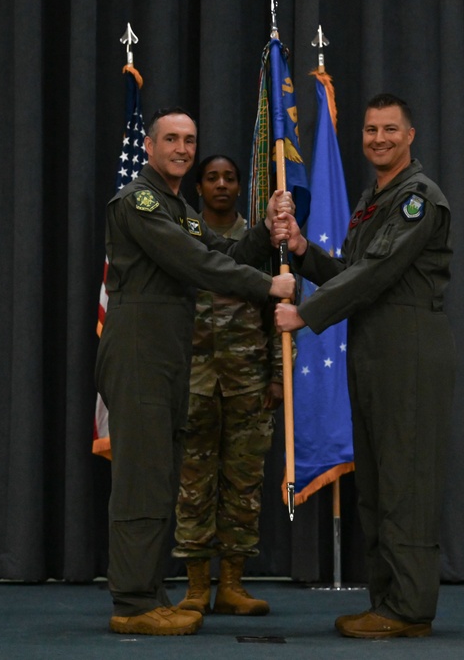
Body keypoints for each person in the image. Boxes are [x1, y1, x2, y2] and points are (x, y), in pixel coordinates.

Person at [95, 107, 295, 636]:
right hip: (140, 348)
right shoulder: (139, 202)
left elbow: (224, 249)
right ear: (151, 147)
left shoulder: (176, 206)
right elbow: (196, 264)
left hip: (167, 353)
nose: (183, 149)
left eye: (190, 141)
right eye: (172, 140)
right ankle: (133, 603)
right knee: (141, 480)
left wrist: (268, 231)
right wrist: (266, 286)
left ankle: (149, 592)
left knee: (159, 478)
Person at [274, 93, 454, 639]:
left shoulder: (418, 198)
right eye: (371, 129)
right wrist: (304, 250)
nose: (379, 138)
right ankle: (388, 602)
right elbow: (351, 271)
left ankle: (410, 609)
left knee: (406, 486)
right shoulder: (374, 198)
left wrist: (304, 314)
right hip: (376, 353)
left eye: (390, 130)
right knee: (377, 486)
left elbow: (376, 273)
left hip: (410, 354)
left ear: (411, 135)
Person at [173, 155, 281, 617]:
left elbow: (279, 316)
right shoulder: (181, 236)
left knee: (243, 487)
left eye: (230, 178)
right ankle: (196, 587)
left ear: (240, 187)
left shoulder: (261, 242)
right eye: (212, 177)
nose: (221, 185)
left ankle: (233, 585)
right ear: (198, 187)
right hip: (193, 382)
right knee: (193, 485)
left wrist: (278, 375)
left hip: (249, 381)